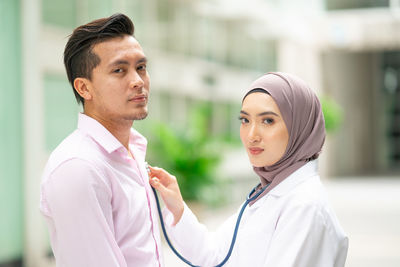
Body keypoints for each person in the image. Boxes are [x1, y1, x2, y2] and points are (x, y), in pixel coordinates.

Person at [149, 72, 349, 267]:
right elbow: (216, 255)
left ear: (299, 127)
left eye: (268, 121)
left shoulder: (304, 206)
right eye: (245, 120)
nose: (251, 135)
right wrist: (178, 208)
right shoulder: (269, 191)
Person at [39, 14, 164, 267]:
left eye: (141, 67)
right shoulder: (79, 167)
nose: (138, 81)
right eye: (119, 70)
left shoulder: (131, 152)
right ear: (84, 88)